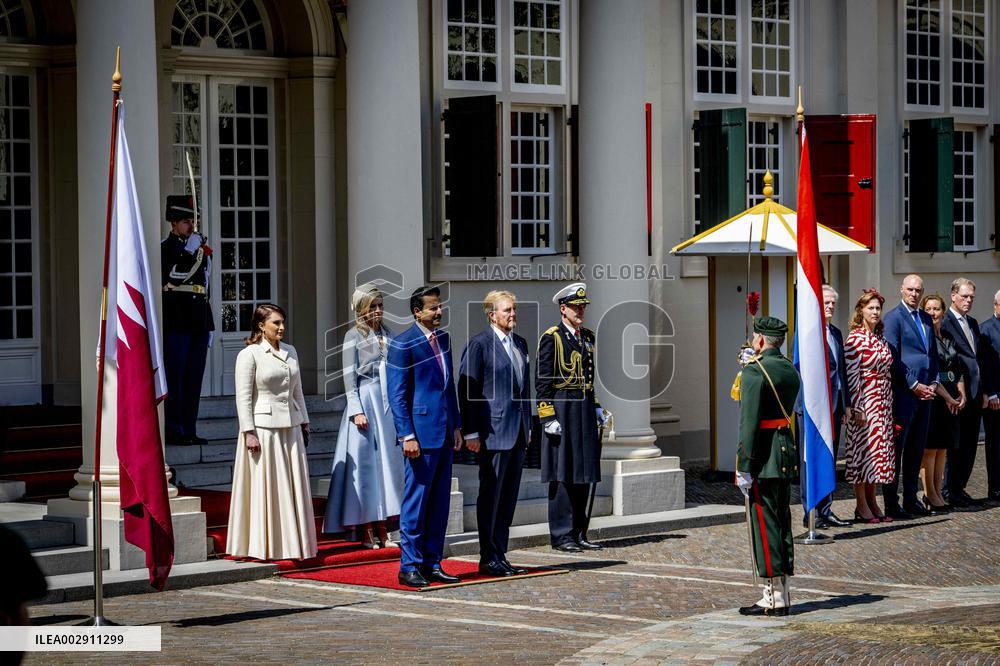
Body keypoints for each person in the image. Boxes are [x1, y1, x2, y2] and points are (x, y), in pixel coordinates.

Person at [387, 285, 465, 588]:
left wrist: (456, 425)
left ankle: (432, 562)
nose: (439, 311)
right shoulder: (403, 343)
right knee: (416, 502)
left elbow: (449, 386)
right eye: (433, 307)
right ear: (417, 312)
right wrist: (406, 434)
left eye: (440, 306)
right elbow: (397, 395)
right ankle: (409, 566)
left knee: (439, 503)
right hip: (419, 436)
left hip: (444, 432)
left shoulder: (443, 339)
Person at [227, 304, 317, 561]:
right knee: (266, 487)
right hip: (264, 429)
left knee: (292, 486)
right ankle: (264, 545)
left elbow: (297, 390)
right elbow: (243, 398)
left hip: (291, 426)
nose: (281, 327)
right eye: (276, 323)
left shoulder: (291, 351)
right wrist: (248, 432)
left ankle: (293, 545)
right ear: (260, 325)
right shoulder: (249, 354)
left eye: (282, 322)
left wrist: (305, 420)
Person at [323, 284, 403, 548]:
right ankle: (366, 527)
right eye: (372, 306)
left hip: (386, 405)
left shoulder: (389, 334)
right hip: (366, 402)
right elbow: (350, 378)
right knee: (367, 468)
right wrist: (356, 409)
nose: (378, 310)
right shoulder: (353, 336)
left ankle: (384, 526)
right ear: (361, 310)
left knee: (385, 467)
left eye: (380, 305)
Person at [459, 290, 532, 577]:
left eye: (514, 309)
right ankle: (487, 556)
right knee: (491, 496)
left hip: (517, 432)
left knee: (508, 498)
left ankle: (500, 554)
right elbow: (468, 390)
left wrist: (528, 425)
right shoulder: (479, 344)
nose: (512, 314)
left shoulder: (521, 343)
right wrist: (471, 432)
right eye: (507, 310)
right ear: (492, 315)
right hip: (493, 432)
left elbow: (524, 388)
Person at [735, 316, 800, 617]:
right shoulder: (788, 368)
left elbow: (748, 422)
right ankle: (783, 592)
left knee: (765, 525)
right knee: (782, 522)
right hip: (784, 450)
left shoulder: (754, 371)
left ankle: (771, 597)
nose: (752, 340)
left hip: (763, 455)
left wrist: (744, 464)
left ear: (761, 340)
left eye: (755, 336)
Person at [536, 283, 607, 553]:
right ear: (563, 309)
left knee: (583, 472)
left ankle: (579, 532)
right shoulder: (552, 337)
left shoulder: (587, 337)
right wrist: (547, 416)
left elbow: (588, 378)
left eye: (583, 307)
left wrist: (596, 406)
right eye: (576, 307)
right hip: (562, 409)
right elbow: (543, 381)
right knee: (563, 473)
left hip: (584, 408)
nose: (581, 311)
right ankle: (561, 535)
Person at [882, 274, 938, 518]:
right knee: (897, 450)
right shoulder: (893, 318)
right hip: (904, 394)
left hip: (926, 394)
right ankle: (891, 503)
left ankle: (911, 498)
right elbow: (893, 357)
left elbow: (932, 354)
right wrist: (913, 384)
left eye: (918, 290)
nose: (914, 294)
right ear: (902, 290)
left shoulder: (926, 318)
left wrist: (934, 381)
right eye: (910, 289)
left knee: (916, 450)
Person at [161, 194, 214, 446]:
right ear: (173, 223)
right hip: (177, 319)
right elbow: (173, 277)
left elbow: (205, 287)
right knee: (177, 376)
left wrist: (209, 324)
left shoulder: (201, 251)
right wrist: (189, 251)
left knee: (194, 378)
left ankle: (189, 429)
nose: (190, 225)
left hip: (198, 319)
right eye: (185, 221)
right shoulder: (166, 249)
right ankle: (174, 429)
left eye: (192, 221)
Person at [940, 278, 997, 509]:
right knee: (954, 445)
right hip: (957, 392)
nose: (968, 300)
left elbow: (979, 358)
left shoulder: (972, 323)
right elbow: (947, 359)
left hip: (975, 392)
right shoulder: (945, 322)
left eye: (972, 297)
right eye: (964, 296)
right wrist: (954, 390)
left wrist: (985, 391)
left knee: (970, 445)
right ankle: (948, 491)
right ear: (953, 295)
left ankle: (959, 488)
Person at [799, 285, 852, 529]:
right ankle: (810, 510)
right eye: (826, 302)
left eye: (832, 303)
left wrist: (847, 404)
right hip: (814, 407)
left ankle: (826, 509)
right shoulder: (808, 332)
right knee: (811, 459)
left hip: (835, 405)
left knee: (829, 458)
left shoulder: (836, 333)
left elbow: (841, 371)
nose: (830, 306)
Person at [844, 289, 895, 523]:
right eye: (870, 308)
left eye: (877, 308)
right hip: (865, 402)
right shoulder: (854, 339)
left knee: (876, 454)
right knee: (862, 453)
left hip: (882, 402)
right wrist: (858, 406)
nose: (875, 312)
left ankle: (873, 501)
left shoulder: (880, 338)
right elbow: (851, 376)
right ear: (861, 311)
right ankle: (861, 504)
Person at [920, 293, 964, 513]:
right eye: (928, 309)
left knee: (942, 449)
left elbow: (957, 368)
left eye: (936, 309)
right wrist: (948, 397)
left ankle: (938, 492)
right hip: (935, 398)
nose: (933, 313)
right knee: (930, 448)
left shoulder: (948, 336)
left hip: (952, 397)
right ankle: (929, 494)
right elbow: (931, 372)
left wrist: (961, 392)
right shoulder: (925, 337)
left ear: (943, 312)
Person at [978, 290, 1000, 506]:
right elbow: (985, 365)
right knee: (995, 445)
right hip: (995, 398)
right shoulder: (985, 329)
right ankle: (996, 488)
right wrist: (991, 393)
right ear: (995, 305)